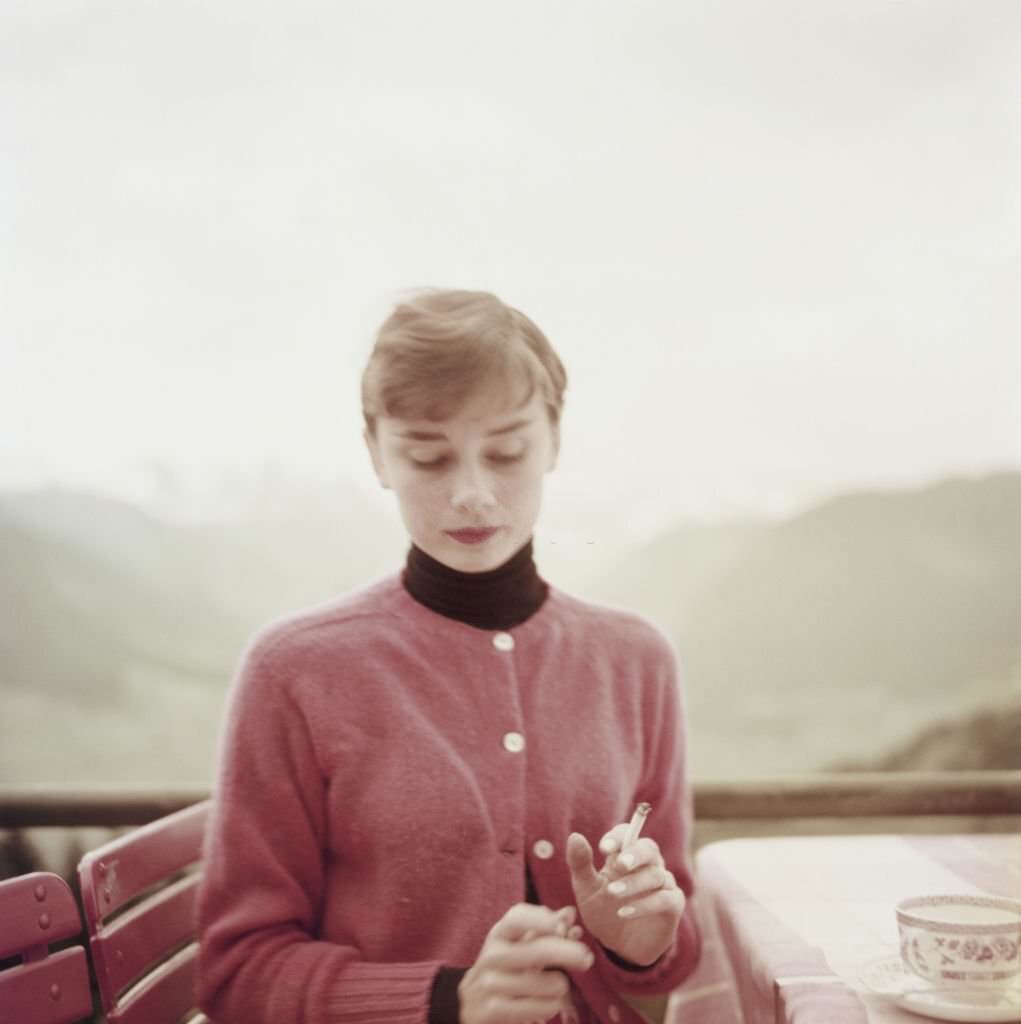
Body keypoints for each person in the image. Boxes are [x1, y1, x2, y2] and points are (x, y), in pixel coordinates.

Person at [196, 289, 701, 1024]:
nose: (471, 494)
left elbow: (673, 958)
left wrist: (641, 938)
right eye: (427, 456)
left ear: (554, 439)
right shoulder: (295, 670)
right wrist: (445, 1001)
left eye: (505, 451)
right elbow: (235, 974)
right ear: (375, 452)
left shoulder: (636, 660)